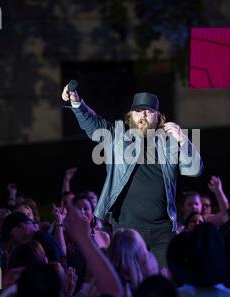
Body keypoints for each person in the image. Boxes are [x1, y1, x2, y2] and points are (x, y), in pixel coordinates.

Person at [62, 83, 203, 267]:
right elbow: (93, 123)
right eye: (138, 111)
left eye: (148, 111)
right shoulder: (117, 135)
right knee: (131, 280)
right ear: (130, 116)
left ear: (158, 116)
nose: (143, 115)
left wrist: (183, 140)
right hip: (127, 228)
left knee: (166, 281)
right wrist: (77, 103)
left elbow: (194, 169)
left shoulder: (169, 143)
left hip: (163, 230)